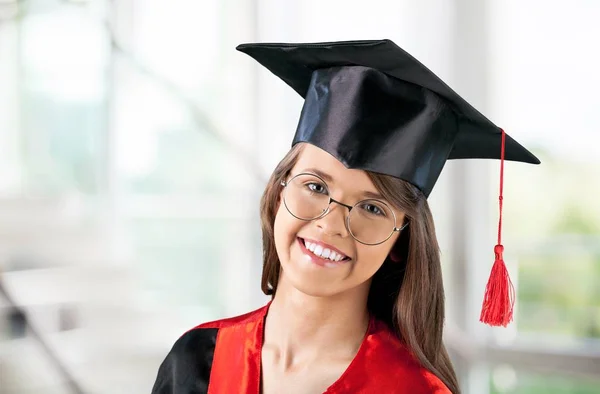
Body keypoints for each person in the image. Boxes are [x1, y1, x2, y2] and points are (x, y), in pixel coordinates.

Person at [151, 39, 540, 394]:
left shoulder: (412, 390)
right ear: (277, 193)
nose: (331, 224)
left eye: (372, 208)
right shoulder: (198, 359)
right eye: (316, 187)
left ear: (400, 242)